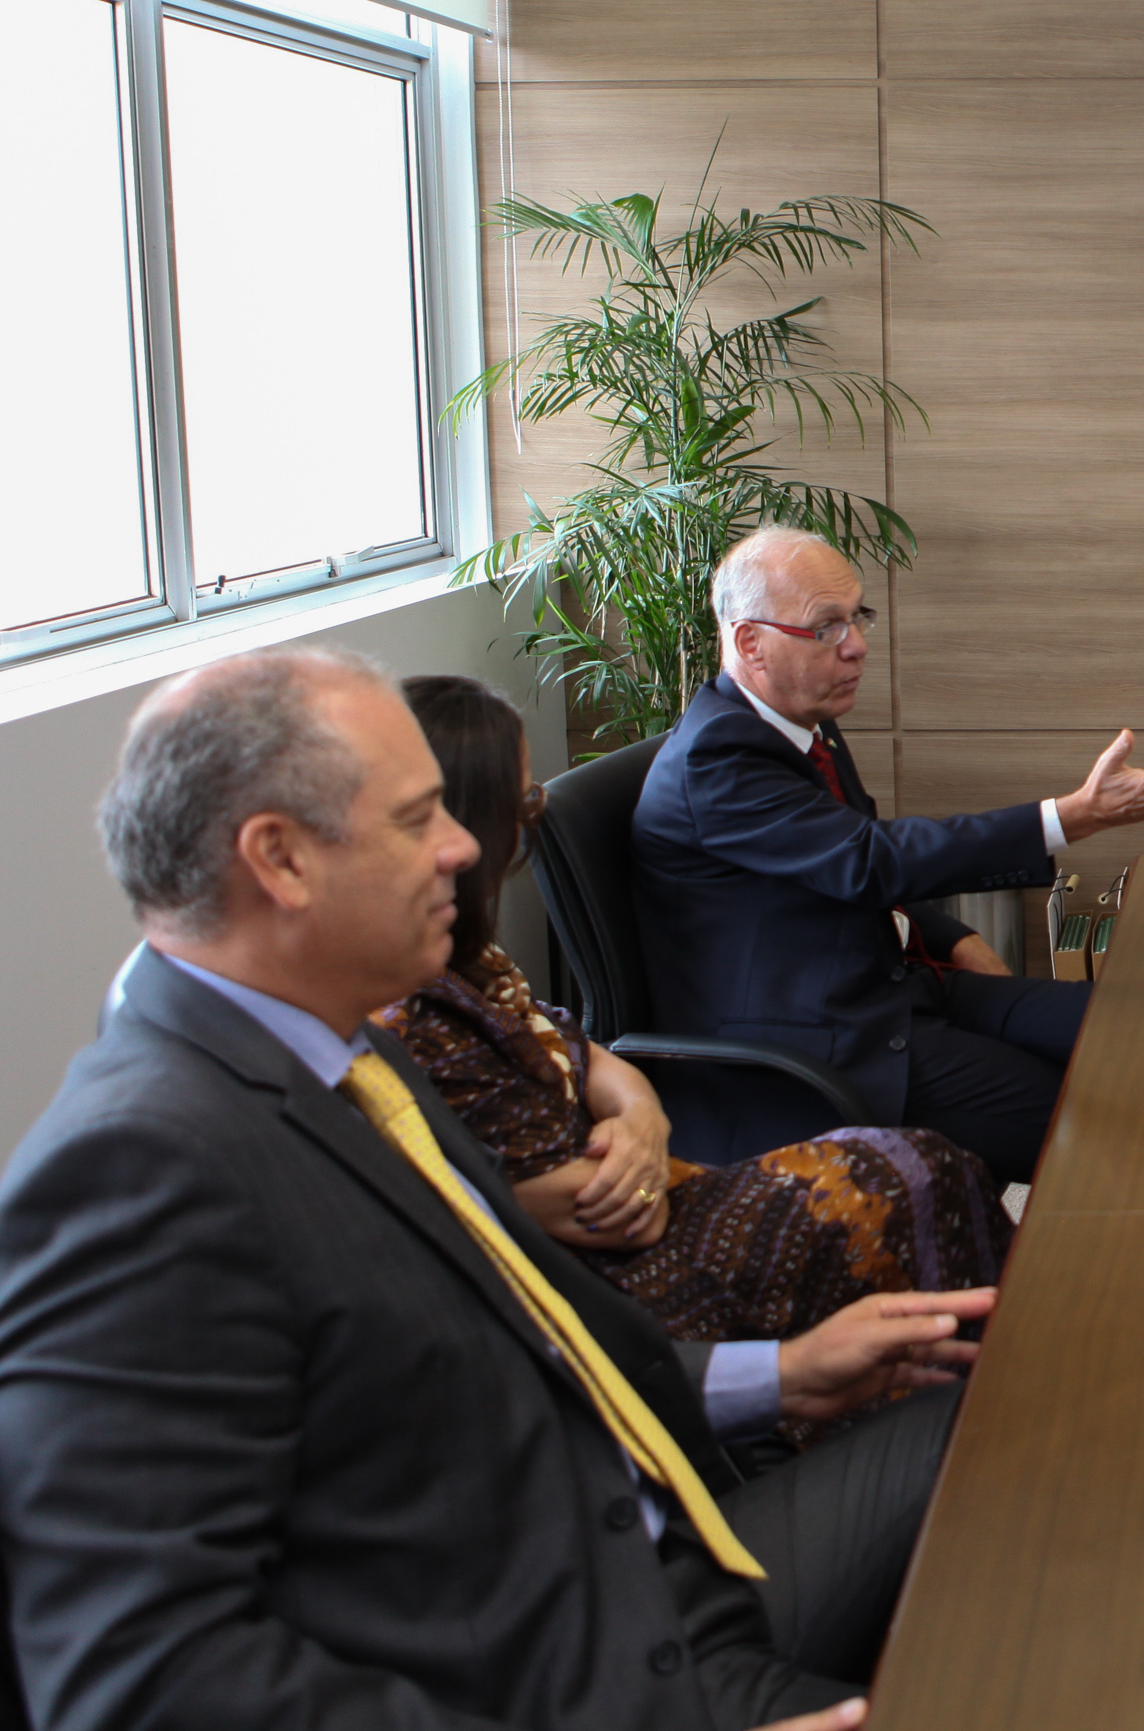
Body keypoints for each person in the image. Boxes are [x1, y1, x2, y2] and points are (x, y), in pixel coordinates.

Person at [0, 649, 993, 1726]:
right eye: (415, 818)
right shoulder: (135, 1167)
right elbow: (139, 1678)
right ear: (280, 860)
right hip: (584, 1679)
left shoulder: (344, 1049)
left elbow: (517, 1347)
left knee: (1006, 1427)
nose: (465, 846)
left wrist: (781, 1375)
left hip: (656, 1574)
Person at [383, 675, 1004, 1391]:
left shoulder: (462, 954)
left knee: (932, 1164)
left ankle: (991, 1370)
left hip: (652, 1174)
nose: (528, 825)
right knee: (904, 1184)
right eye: (522, 806)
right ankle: (958, 1398)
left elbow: (585, 1048)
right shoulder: (407, 1013)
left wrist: (641, 1117)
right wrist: (641, 1140)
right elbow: (624, 1221)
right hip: (620, 1277)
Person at [634, 526, 1144, 1177]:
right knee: (1101, 1114)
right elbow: (867, 858)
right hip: (822, 1044)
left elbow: (837, 860)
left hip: (900, 988)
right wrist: (1071, 817)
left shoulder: (801, 722)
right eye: (826, 627)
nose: (856, 645)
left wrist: (951, 936)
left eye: (856, 617)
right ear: (750, 641)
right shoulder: (717, 757)